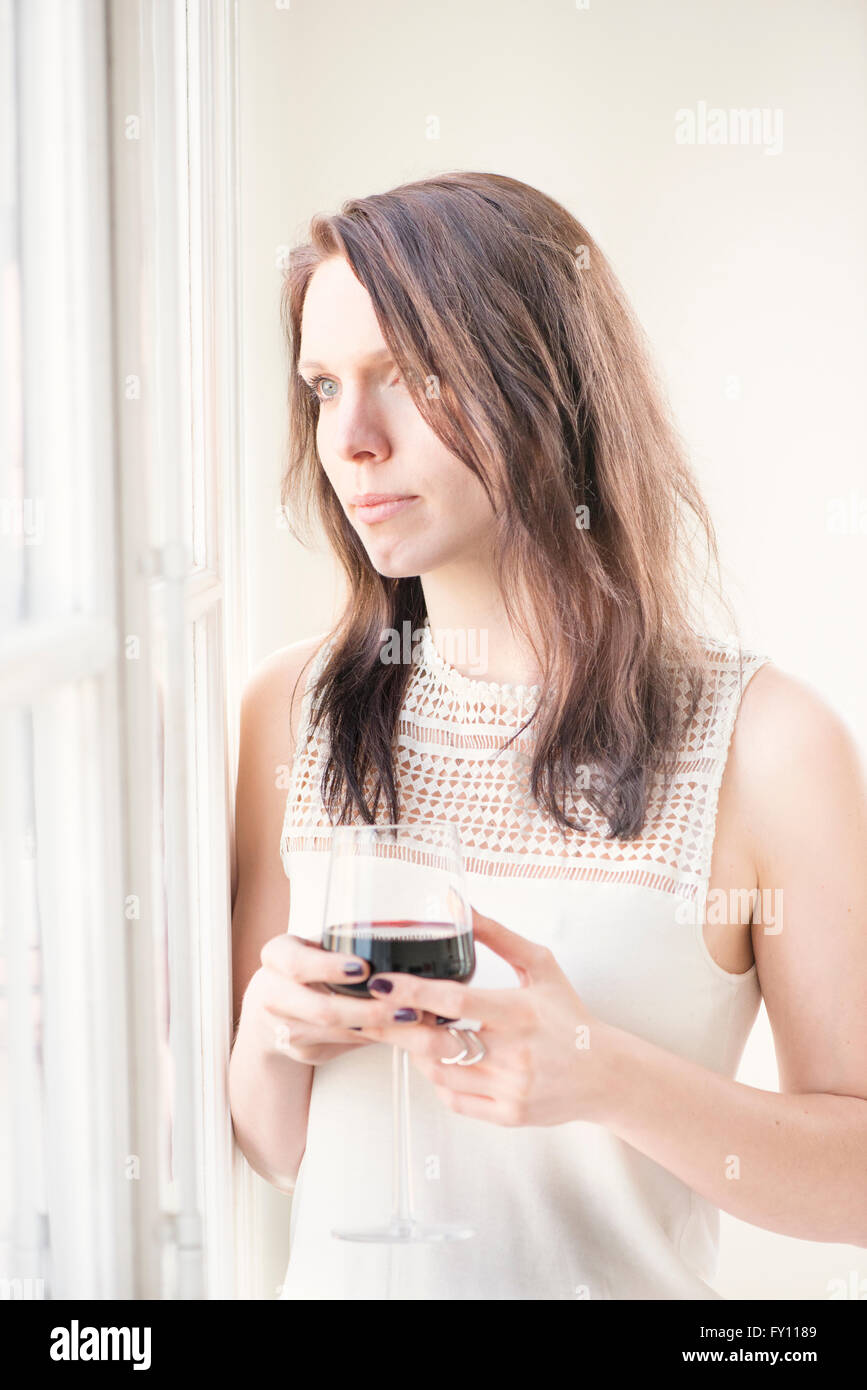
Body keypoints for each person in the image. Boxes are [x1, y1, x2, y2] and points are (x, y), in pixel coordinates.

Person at [228, 171, 867, 1300]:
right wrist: (273, 1040)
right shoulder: (292, 711)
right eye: (324, 388)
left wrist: (603, 1076)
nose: (352, 441)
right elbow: (282, 1156)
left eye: (406, 379)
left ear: (544, 382)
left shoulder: (769, 746)